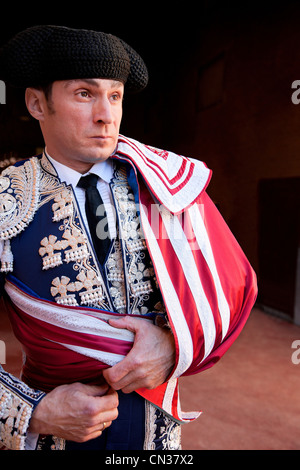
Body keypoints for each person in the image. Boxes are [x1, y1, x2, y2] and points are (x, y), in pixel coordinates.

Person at [0, 25, 257, 451]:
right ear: (36, 103)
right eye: (84, 93)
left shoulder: (161, 183)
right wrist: (34, 412)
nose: (107, 115)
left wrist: (175, 347)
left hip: (156, 438)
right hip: (51, 434)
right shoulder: (7, 198)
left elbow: (229, 288)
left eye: (115, 96)